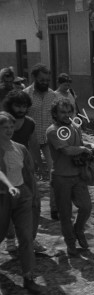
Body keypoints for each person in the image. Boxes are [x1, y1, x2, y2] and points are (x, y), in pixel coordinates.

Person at [0, 111, 42, 293]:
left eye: (11, 127)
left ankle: (28, 276)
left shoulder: (20, 148)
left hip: (21, 195)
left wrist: (32, 195)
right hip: (2, 198)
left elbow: (28, 173)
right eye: (4, 128)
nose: (9, 131)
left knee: (25, 237)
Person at [46, 98, 93, 257]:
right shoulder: (52, 130)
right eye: (62, 112)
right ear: (55, 113)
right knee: (65, 215)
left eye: (69, 112)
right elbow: (65, 150)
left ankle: (79, 229)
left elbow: (81, 143)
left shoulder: (74, 127)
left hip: (78, 175)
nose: (66, 115)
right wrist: (82, 149)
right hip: (61, 178)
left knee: (86, 207)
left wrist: (90, 146)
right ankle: (70, 242)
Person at [3, 89, 45, 253]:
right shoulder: (3, 121)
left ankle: (30, 239)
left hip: (25, 168)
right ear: (10, 105)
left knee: (33, 204)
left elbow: (33, 144)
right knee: (7, 206)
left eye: (24, 106)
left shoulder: (29, 123)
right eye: (17, 106)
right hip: (5, 170)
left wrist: (40, 165)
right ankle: (10, 238)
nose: (21, 109)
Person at [23, 63, 58, 219]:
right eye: (42, 79)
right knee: (31, 174)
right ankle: (30, 208)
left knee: (54, 174)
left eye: (47, 80)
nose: (45, 82)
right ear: (35, 78)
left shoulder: (53, 96)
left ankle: (55, 208)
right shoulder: (25, 95)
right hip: (30, 142)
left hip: (49, 141)